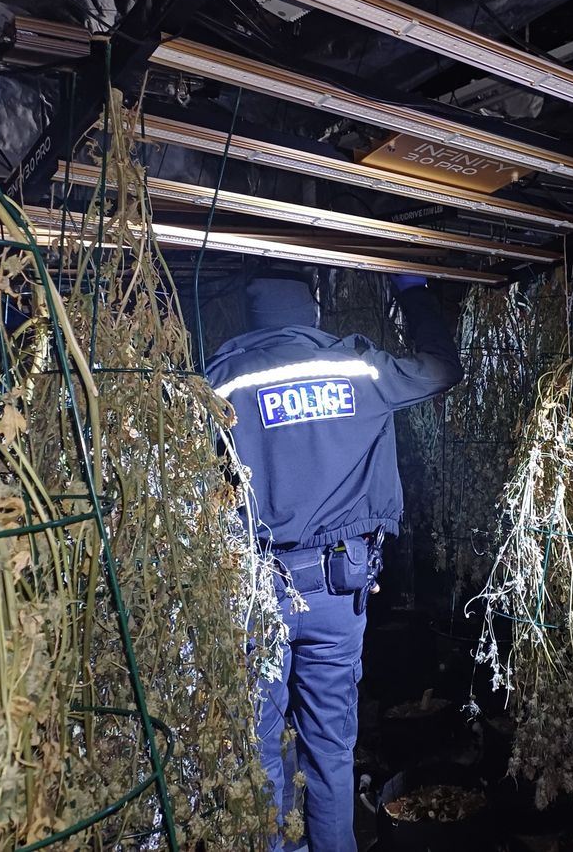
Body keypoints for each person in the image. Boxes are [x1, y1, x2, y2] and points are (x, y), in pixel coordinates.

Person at [206, 266, 463, 852]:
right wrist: (413, 291)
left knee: (259, 750)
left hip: (255, 596)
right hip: (337, 590)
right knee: (329, 747)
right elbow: (442, 367)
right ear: (313, 306)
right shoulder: (359, 369)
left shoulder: (221, 382)